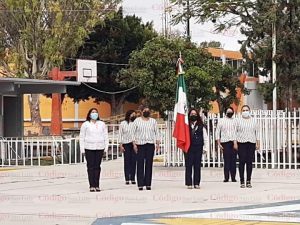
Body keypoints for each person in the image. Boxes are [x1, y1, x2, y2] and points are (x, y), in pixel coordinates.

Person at [79, 108, 108, 192]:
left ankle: (97, 185)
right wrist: (82, 150)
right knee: (90, 166)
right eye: (93, 112)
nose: (94, 114)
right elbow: (82, 137)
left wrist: (106, 148)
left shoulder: (102, 124)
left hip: (99, 147)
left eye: (96, 112)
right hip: (89, 148)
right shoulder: (85, 124)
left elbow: (105, 136)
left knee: (97, 166)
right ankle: (91, 185)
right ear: (89, 114)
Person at [132, 105, 160, 191]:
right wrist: (134, 144)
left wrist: (158, 143)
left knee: (149, 164)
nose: (146, 112)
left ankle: (148, 183)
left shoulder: (153, 121)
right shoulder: (137, 121)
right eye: (145, 110)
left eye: (148, 110)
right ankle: (140, 183)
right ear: (141, 111)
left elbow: (157, 132)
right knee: (140, 164)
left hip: (150, 144)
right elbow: (133, 133)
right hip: (140, 144)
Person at [236, 105, 260, 188]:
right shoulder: (238, 120)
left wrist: (258, 143)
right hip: (241, 143)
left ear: (249, 111)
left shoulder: (254, 121)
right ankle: (242, 180)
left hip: (251, 142)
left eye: (246, 110)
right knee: (242, 161)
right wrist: (235, 142)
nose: (245, 111)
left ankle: (248, 180)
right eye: (243, 110)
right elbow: (234, 132)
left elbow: (257, 132)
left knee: (249, 162)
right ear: (241, 111)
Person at [184, 108, 208, 189]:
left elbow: (205, 138)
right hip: (189, 148)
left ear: (197, 115)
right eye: (191, 114)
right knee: (189, 165)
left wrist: (205, 148)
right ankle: (189, 183)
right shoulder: (186, 126)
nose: (193, 115)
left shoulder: (202, 126)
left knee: (197, 166)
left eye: (195, 114)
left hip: (198, 148)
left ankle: (196, 183)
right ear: (189, 115)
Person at [216, 107, 238, 182]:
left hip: (233, 142)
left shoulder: (235, 121)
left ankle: (233, 177)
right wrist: (219, 143)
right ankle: (226, 177)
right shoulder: (221, 121)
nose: (230, 113)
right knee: (227, 160)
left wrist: (235, 142)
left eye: (231, 112)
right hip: (225, 142)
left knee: (233, 160)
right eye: (228, 112)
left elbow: (236, 132)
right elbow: (217, 132)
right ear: (225, 112)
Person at [119, 110, 137, 185]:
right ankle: (127, 178)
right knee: (127, 161)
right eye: (132, 115)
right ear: (129, 115)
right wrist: (121, 145)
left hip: (134, 144)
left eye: (134, 115)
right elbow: (120, 134)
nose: (134, 116)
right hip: (126, 143)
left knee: (133, 161)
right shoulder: (123, 123)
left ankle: (132, 177)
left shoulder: (135, 123)